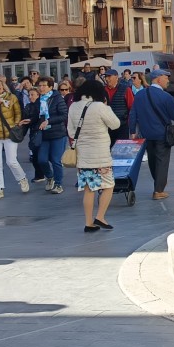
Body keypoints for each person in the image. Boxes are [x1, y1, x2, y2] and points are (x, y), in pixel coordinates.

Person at [68, 78, 120, 233]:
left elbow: (71, 132)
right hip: (101, 156)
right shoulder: (99, 106)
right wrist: (107, 107)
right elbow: (115, 124)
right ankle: (101, 216)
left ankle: (88, 222)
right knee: (109, 186)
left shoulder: (73, 106)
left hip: (84, 157)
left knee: (89, 189)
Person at [128, 67, 174, 200]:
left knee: (153, 161)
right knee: (162, 161)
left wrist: (132, 132)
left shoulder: (140, 95)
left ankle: (157, 185)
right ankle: (158, 190)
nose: (168, 81)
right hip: (161, 134)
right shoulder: (166, 97)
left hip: (146, 134)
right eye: (166, 78)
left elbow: (133, 114)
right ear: (158, 79)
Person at [28, 75, 68, 194]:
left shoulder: (57, 98)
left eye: (44, 85)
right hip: (44, 134)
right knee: (42, 160)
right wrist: (29, 120)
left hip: (57, 133)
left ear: (50, 87)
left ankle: (58, 184)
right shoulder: (39, 100)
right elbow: (37, 115)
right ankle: (50, 177)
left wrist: (49, 121)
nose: (41, 88)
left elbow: (64, 115)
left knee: (56, 160)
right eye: (40, 85)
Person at [102, 69, 133, 146]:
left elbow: (131, 107)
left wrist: (129, 123)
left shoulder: (126, 89)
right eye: (106, 76)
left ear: (116, 77)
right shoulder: (102, 90)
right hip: (106, 126)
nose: (106, 79)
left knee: (121, 151)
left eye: (109, 76)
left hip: (122, 126)